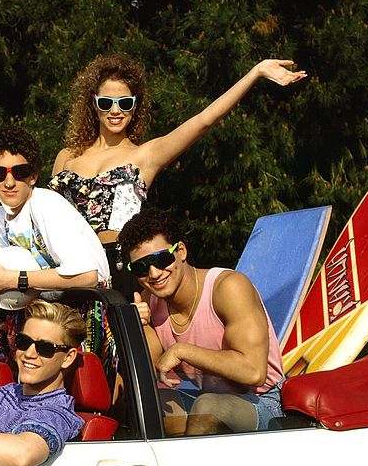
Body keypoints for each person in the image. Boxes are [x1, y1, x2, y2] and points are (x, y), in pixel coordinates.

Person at [51, 53, 307, 294]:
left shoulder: (146, 155)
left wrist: (255, 72)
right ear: (94, 105)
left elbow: (204, 120)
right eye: (106, 103)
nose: (115, 111)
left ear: (135, 106)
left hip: (118, 272)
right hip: (67, 269)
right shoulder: (66, 157)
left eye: (125, 103)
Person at [118, 206, 284, 435]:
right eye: (141, 267)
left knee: (209, 407)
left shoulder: (228, 287)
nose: (154, 273)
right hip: (208, 397)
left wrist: (182, 350)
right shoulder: (150, 300)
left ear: (182, 251)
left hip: (264, 402)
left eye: (161, 259)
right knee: (148, 407)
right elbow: (155, 371)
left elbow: (253, 371)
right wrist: (139, 327)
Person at [0, 125, 110, 300]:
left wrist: (12, 279)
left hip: (91, 303)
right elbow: (7, 279)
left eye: (20, 172)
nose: (10, 182)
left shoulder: (45, 204)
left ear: (33, 176)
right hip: (45, 308)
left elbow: (87, 277)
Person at [0, 300, 86, 466]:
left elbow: (23, 456)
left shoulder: (59, 413)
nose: (29, 354)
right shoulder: (2, 395)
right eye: (23, 341)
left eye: (44, 348)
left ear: (68, 358)